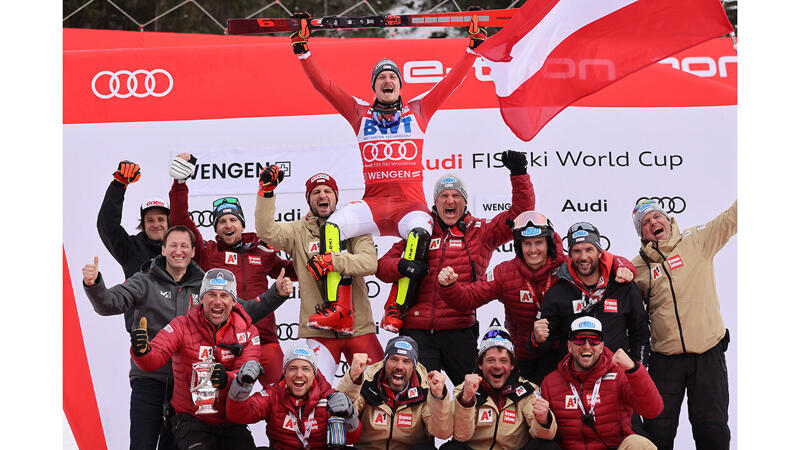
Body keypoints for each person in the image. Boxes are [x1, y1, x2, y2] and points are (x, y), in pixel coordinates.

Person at [278, 11, 487, 333]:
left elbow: (450, 83)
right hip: (373, 205)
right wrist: (303, 51)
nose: (387, 81)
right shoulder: (359, 114)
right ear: (374, 87)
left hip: (410, 207)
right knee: (332, 227)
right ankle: (339, 309)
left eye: (393, 77)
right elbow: (326, 87)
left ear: (400, 86)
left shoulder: (418, 110)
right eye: (381, 78)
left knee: (420, 236)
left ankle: (396, 310)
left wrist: (472, 49)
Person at [83, 227, 292, 450]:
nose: (178, 251)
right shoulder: (144, 280)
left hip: (185, 385)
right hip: (151, 379)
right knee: (142, 445)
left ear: (193, 251)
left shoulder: (205, 283)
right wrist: (94, 285)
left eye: (184, 246)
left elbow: (243, 310)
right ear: (163, 250)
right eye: (173, 245)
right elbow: (109, 303)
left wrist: (276, 293)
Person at [376, 162, 534, 387]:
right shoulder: (421, 231)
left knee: (473, 394)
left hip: (459, 330)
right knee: (420, 400)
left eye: (456, 195)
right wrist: (404, 266)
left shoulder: (481, 232)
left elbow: (520, 214)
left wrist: (519, 173)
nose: (450, 201)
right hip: (417, 332)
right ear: (435, 202)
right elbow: (383, 266)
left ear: (465, 202)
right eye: (444, 196)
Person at [439, 212, 636, 385]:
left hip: (565, 356)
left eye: (539, 243)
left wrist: (625, 267)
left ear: (548, 243)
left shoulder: (567, 265)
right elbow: (468, 299)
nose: (533, 250)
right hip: (525, 356)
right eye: (527, 244)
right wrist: (449, 287)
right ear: (519, 246)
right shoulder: (505, 273)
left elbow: (600, 260)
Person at [168, 153, 296, 385]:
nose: (228, 225)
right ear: (216, 228)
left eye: (233, 220)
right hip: (224, 341)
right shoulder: (208, 252)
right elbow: (180, 221)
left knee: (281, 396)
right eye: (222, 221)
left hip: (264, 339)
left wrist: (310, 248)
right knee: (221, 402)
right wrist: (179, 185)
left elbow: (293, 271)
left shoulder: (262, 251)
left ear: (242, 224)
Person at [254, 171, 383, 383]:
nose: (322, 195)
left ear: (336, 197)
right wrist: (266, 193)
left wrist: (334, 261)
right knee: (316, 392)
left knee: (376, 388)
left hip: (358, 327)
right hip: (319, 330)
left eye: (327, 191)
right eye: (316, 192)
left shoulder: (354, 225)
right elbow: (266, 231)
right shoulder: (297, 231)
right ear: (308, 199)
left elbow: (370, 263)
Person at [630, 199, 737, 449]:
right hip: (665, 359)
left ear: (668, 220)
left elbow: (732, 217)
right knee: (658, 432)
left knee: (712, 430)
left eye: (657, 216)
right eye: (645, 222)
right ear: (642, 233)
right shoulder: (638, 266)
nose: (653, 222)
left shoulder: (697, 241)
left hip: (708, 352)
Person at [130, 268, 267, 450]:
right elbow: (154, 358)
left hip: (230, 418)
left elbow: (246, 371)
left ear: (234, 301)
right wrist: (141, 351)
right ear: (201, 298)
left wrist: (227, 378)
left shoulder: (248, 331)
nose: (217, 302)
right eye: (211, 294)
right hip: (190, 417)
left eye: (224, 295)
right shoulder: (182, 325)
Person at [530, 221, 648, 376]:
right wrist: (537, 339)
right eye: (577, 251)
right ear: (570, 255)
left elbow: (640, 333)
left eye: (589, 249)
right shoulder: (558, 292)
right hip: (574, 379)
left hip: (616, 377)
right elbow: (540, 348)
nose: (583, 257)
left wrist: (637, 369)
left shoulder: (623, 286)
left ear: (600, 252)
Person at [541, 317, 663, 450]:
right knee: (539, 445)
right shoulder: (550, 382)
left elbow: (653, 410)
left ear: (601, 347)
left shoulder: (620, 374)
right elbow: (543, 435)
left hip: (613, 446)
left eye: (594, 341)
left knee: (638, 443)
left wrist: (634, 369)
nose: (587, 346)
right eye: (579, 340)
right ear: (570, 346)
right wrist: (543, 421)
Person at [226, 344, 362, 449]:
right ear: (285, 373)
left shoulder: (329, 397)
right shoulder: (273, 394)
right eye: (292, 368)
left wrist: (350, 416)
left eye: (305, 369)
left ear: (314, 374)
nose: (299, 374)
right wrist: (241, 385)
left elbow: (352, 439)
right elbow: (239, 414)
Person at [443, 326, 556, 450]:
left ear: (512, 365)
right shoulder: (464, 390)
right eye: (491, 360)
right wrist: (466, 400)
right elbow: (460, 436)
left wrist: (543, 420)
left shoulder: (528, 390)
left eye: (503, 361)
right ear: (480, 364)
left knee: (546, 446)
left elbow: (544, 435)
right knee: (452, 448)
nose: (497, 366)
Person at [336, 336, 453, 450]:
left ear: (414, 367)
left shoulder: (424, 390)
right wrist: (352, 379)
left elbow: (442, 433)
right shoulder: (368, 383)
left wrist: (438, 397)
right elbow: (339, 413)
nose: (399, 366)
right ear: (385, 362)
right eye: (394, 359)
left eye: (406, 361)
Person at [98, 159, 170, 280]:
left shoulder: (180, 248)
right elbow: (107, 225)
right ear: (142, 224)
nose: (156, 224)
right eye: (150, 220)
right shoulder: (130, 248)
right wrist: (118, 185)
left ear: (168, 222)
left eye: (161, 219)